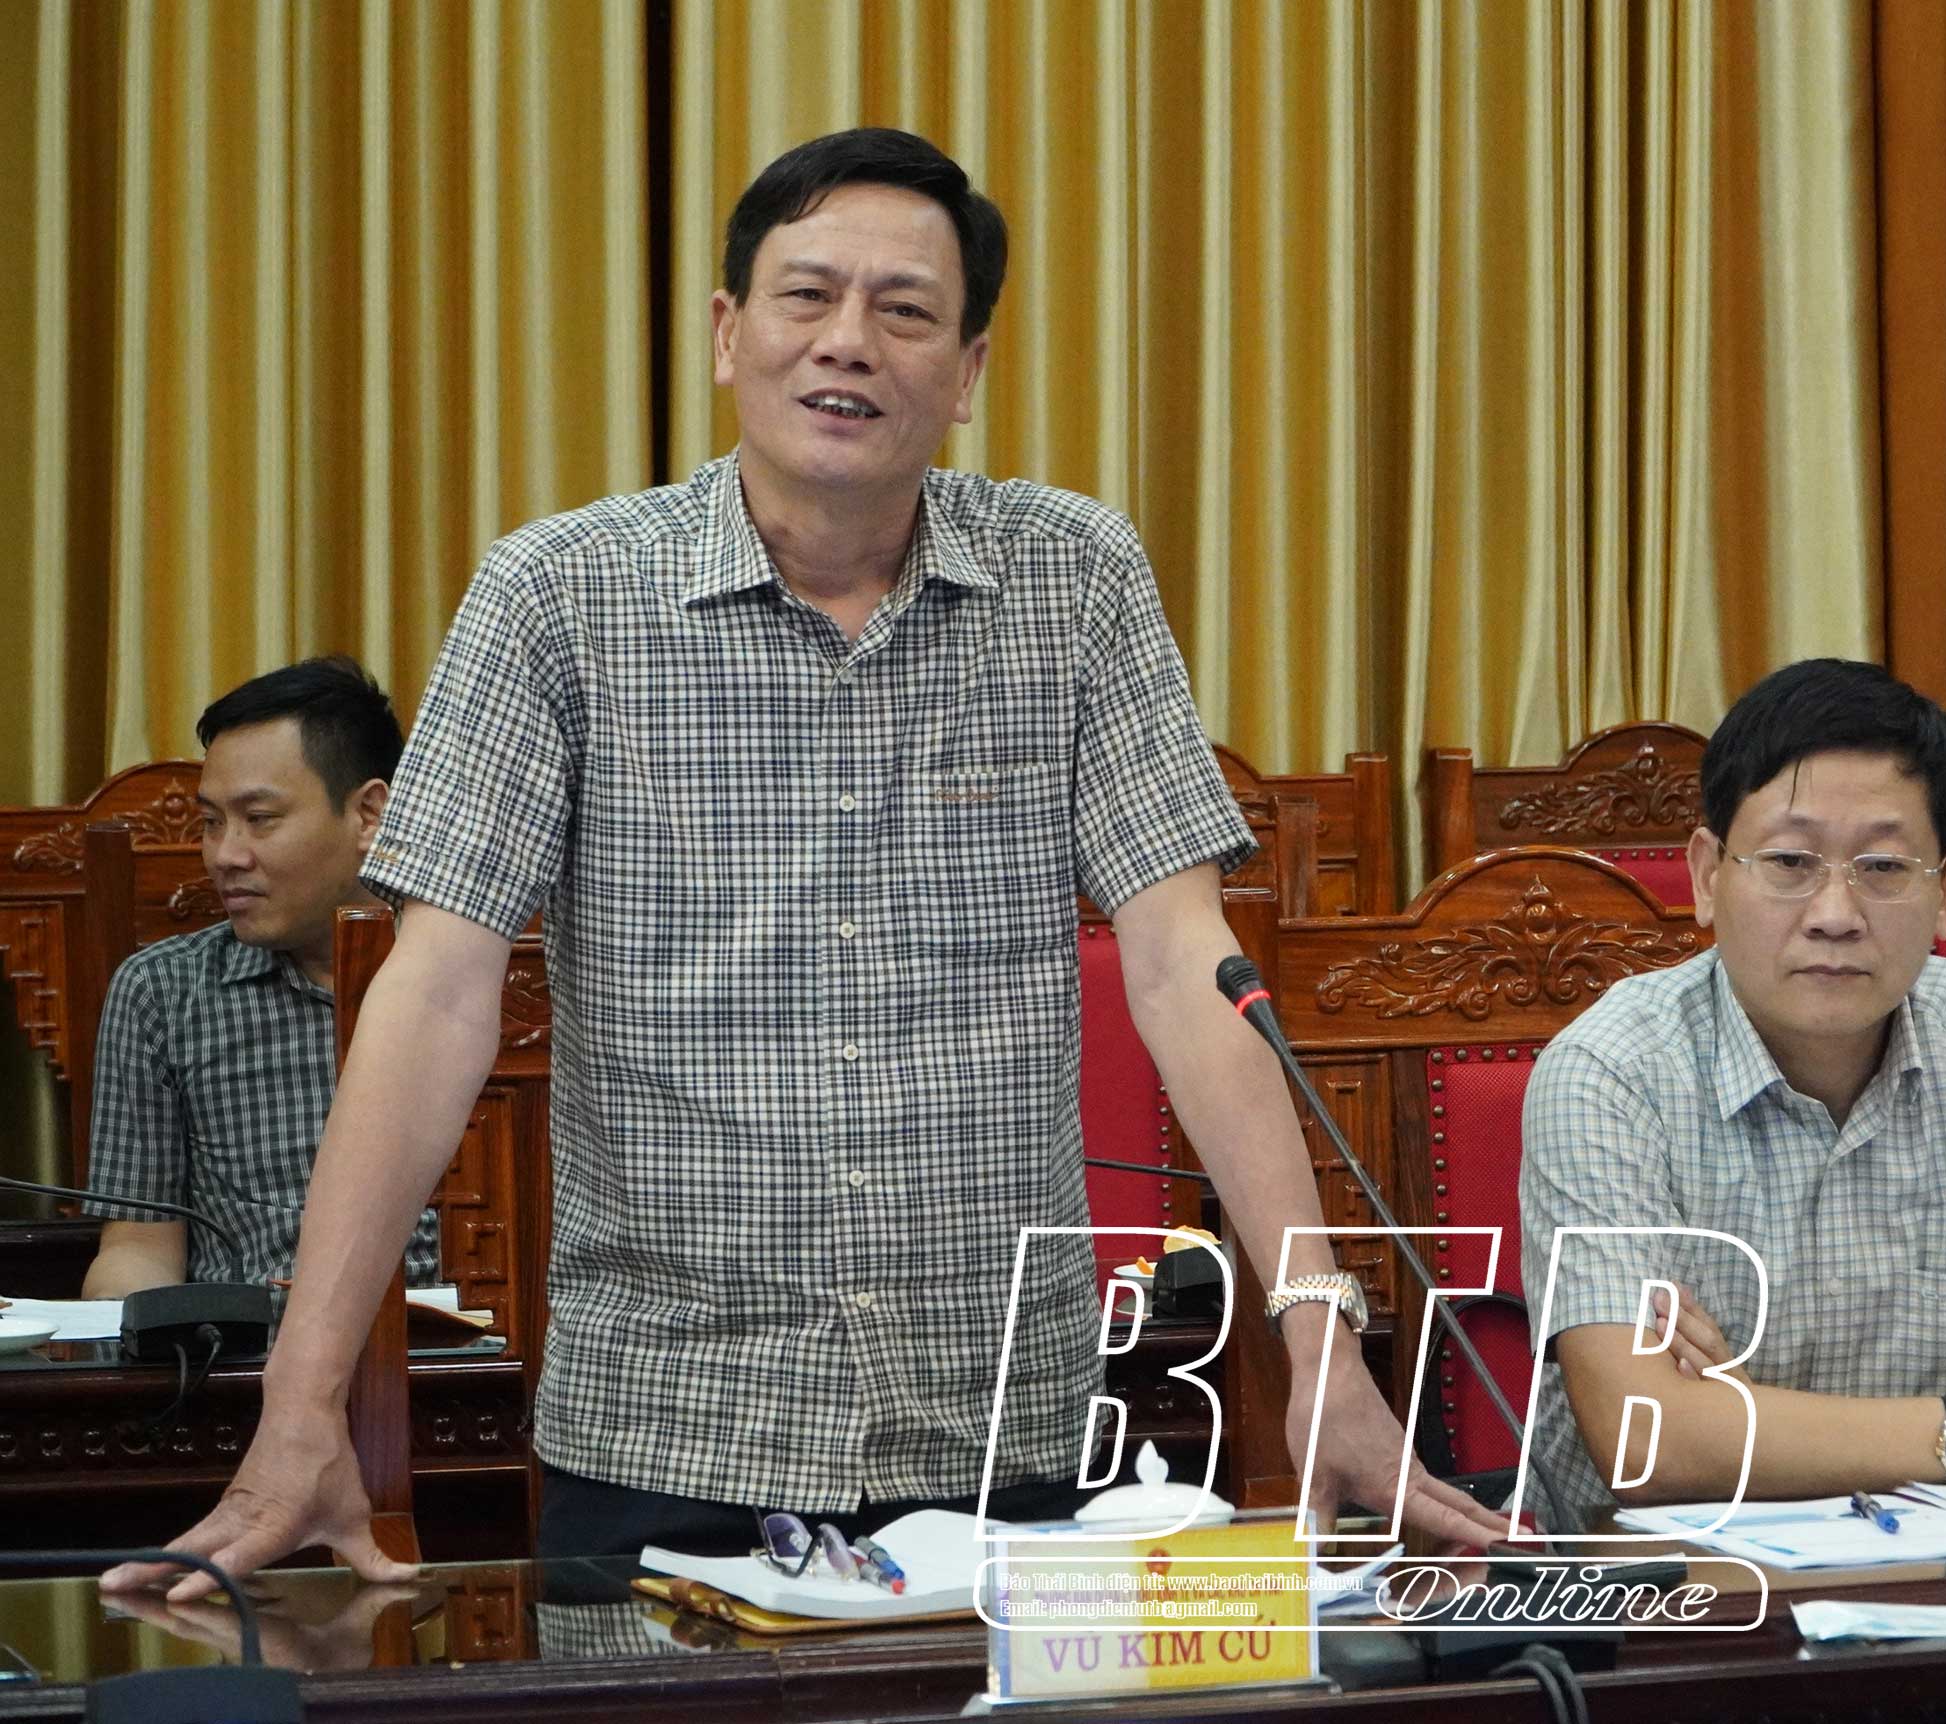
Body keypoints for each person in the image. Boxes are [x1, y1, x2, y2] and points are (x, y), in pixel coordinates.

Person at [108, 128, 1503, 1599]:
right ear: (728, 334)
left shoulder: (1075, 581)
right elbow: (433, 997)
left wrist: (1320, 1339)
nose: (850, 341)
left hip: (1000, 1431)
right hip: (665, 1430)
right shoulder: (559, 598)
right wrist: (304, 1400)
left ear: (966, 372)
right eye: (807, 296)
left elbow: (1183, 967)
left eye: (906, 311)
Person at [1516, 659, 1946, 1534]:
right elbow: (1649, 1445)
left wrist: (1741, 1422)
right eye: (1790, 862)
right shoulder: (1611, 1072)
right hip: (1654, 1589)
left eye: (1883, 865)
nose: (1835, 913)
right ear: (1706, 875)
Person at [80, 658, 439, 1297]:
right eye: (212, 822)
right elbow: (137, 1247)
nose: (225, 856)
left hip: (469, 1348)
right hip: (245, 1350)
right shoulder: (163, 993)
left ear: (369, 814)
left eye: (260, 818)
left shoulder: (489, 981)